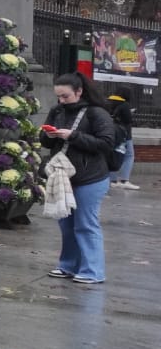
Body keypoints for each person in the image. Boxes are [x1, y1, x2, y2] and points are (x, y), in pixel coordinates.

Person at [41, 72, 118, 285]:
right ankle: (68, 265)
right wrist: (48, 135)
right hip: (63, 176)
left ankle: (93, 270)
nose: (61, 101)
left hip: (90, 177)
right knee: (66, 224)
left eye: (65, 96)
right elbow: (46, 143)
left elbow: (105, 144)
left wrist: (73, 136)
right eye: (58, 96)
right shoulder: (57, 111)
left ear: (79, 91)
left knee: (85, 224)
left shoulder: (96, 113)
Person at [107, 90, 137, 190]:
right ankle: (124, 180)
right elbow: (128, 120)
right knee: (129, 155)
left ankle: (113, 180)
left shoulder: (111, 103)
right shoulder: (125, 105)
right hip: (125, 134)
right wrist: (130, 113)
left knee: (114, 155)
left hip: (113, 133)